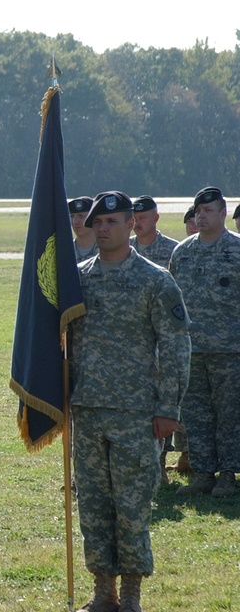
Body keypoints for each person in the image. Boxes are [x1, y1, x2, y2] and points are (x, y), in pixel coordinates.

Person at [68, 191, 190, 612]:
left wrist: (168, 410)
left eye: (113, 222)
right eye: (97, 223)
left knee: (133, 505)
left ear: (130, 225)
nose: (102, 229)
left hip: (137, 414)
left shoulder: (155, 280)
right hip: (86, 410)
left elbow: (176, 346)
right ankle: (103, 591)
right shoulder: (78, 279)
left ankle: (133, 594)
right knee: (95, 506)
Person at [170, 187, 240, 499]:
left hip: (230, 350)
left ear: (223, 214)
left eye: (208, 210)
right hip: (192, 350)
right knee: (196, 415)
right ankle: (202, 473)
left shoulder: (236, 252)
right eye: (198, 210)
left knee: (229, 415)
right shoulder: (182, 253)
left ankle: (228, 475)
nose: (201, 216)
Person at [130, 195, 187, 482]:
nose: (138, 222)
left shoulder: (173, 250)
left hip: (161, 340)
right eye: (135, 218)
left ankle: (161, 464)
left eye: (144, 217)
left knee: (162, 403)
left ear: (156, 218)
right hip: (134, 343)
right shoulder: (125, 250)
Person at [70, 196, 98, 262]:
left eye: (81, 216)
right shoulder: (65, 250)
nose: (75, 221)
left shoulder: (106, 250)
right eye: (72, 216)